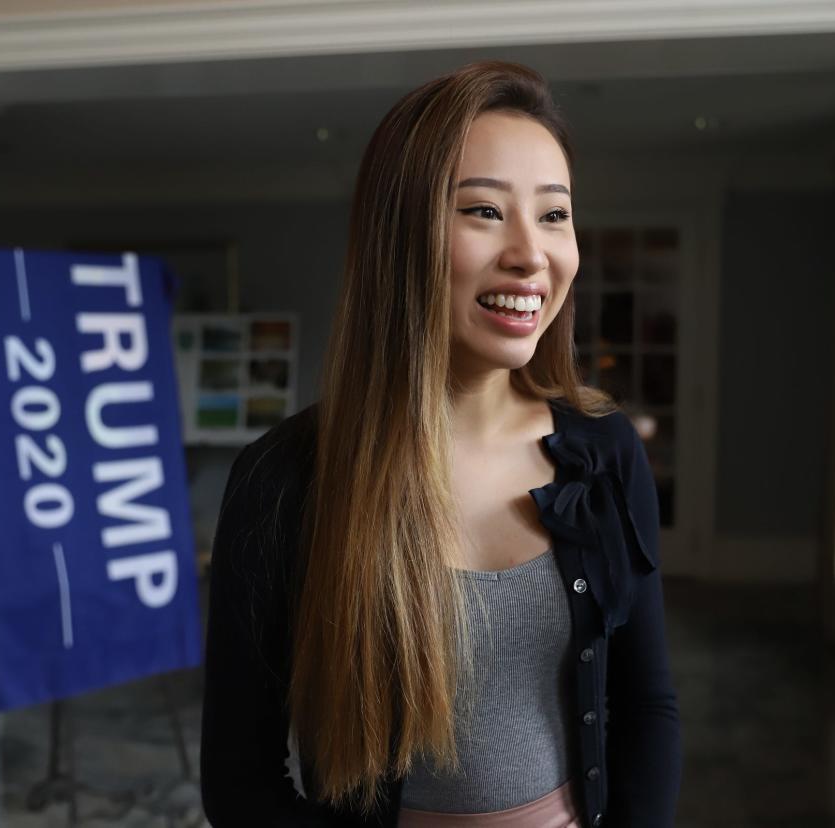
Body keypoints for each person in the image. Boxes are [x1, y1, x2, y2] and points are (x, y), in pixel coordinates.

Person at [200, 59, 681, 827]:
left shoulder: (604, 451)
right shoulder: (284, 479)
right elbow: (239, 784)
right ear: (400, 237)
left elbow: (646, 705)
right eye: (485, 212)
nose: (531, 253)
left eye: (554, 215)